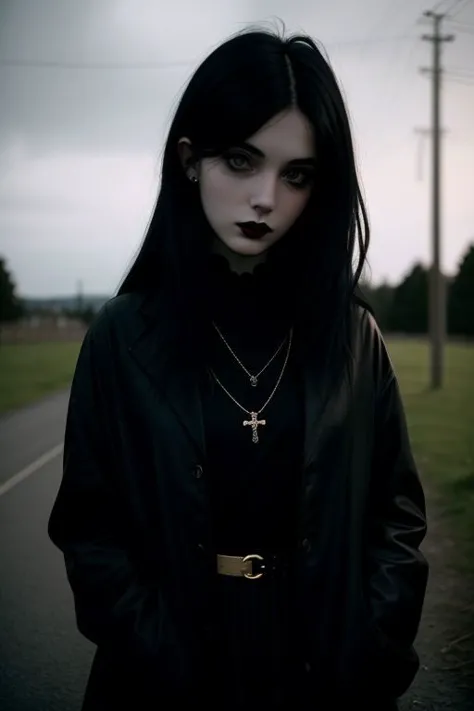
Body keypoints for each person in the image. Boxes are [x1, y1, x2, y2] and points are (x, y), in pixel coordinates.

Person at [48, 26, 429, 711]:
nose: (266, 199)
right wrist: (160, 651)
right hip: (169, 673)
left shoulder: (354, 338)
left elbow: (396, 515)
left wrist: (372, 645)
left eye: (297, 175)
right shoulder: (121, 338)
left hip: (324, 668)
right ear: (191, 160)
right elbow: (89, 528)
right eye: (241, 161)